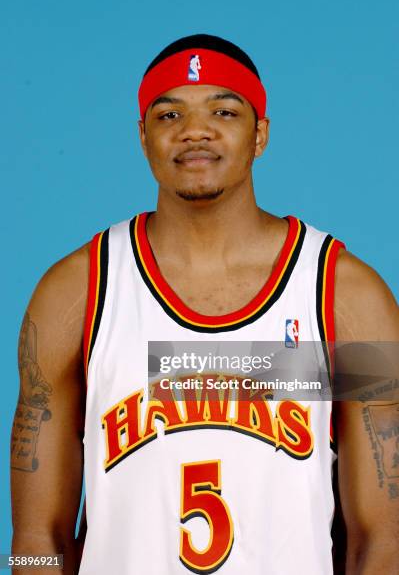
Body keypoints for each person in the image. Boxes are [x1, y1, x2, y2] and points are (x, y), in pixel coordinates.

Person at [10, 34, 399, 574]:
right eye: (170, 114)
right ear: (142, 136)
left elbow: (384, 540)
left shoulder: (345, 295)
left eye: (224, 109)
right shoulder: (76, 293)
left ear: (260, 134)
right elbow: (35, 539)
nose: (195, 130)